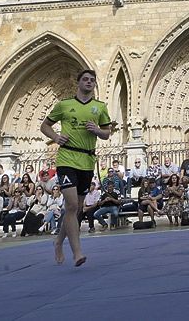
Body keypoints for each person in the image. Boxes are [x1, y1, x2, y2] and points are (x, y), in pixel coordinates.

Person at [40, 68, 112, 267]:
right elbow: (44, 125)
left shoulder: (100, 107)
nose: (89, 82)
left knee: (76, 208)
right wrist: (55, 137)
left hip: (87, 161)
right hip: (67, 158)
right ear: (78, 82)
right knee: (71, 205)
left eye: (92, 80)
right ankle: (77, 252)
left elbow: (107, 133)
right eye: (86, 79)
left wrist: (97, 130)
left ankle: (58, 242)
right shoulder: (64, 105)